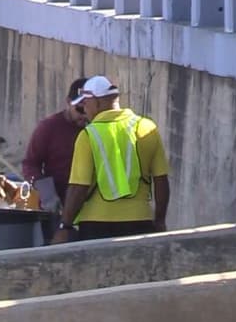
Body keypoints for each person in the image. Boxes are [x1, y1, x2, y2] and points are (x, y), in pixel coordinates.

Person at [51, 75, 171, 243]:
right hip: (140, 221)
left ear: (97, 102)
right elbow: (161, 181)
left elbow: (78, 187)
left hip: (96, 226)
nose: (84, 109)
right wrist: (159, 221)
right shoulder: (146, 127)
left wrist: (65, 226)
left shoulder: (88, 136)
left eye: (85, 103)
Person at [22, 77, 89, 208]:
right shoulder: (49, 127)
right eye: (80, 110)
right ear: (69, 102)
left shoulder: (96, 128)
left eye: (88, 110)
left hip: (88, 202)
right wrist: (46, 192)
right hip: (56, 202)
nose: (84, 116)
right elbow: (30, 164)